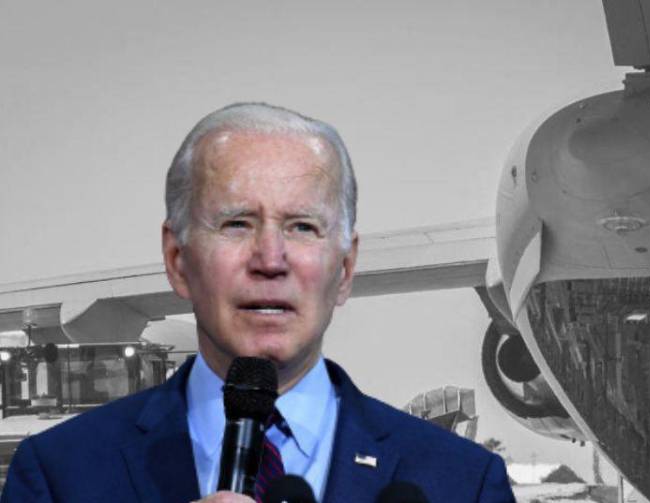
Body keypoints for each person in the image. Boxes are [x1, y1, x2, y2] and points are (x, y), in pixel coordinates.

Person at [1, 103, 515, 502]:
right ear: (178, 260)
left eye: (303, 227)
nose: (270, 259)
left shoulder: (462, 484)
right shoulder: (59, 475)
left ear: (345, 269)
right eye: (236, 224)